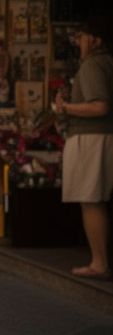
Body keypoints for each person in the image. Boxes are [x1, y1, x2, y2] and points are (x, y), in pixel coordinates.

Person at [56, 14, 113, 279]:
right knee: (96, 199)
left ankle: (99, 263)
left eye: (82, 36)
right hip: (100, 137)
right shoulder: (106, 63)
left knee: (91, 200)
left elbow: (99, 105)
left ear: (96, 40)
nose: (78, 42)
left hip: (91, 138)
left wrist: (65, 108)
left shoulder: (93, 65)